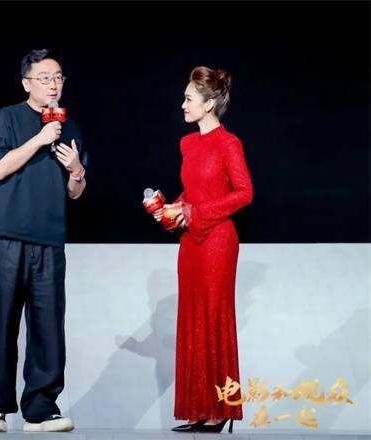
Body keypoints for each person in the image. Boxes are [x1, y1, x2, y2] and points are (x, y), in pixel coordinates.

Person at [0, 48, 87, 433]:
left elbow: (75, 192)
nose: (53, 85)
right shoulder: (5, 118)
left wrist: (77, 170)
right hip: (8, 235)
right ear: (27, 83)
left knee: (48, 327)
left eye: (58, 77)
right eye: (44, 78)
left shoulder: (70, 127)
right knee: (1, 324)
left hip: (50, 238)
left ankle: (41, 408)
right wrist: (40, 139)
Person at [152, 66, 252, 434]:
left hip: (218, 242)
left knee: (213, 320)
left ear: (209, 104)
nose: (183, 105)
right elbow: (193, 192)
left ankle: (220, 409)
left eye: (189, 99)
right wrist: (175, 208)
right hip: (191, 242)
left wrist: (195, 212)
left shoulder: (229, 143)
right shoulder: (187, 144)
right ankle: (198, 409)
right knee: (192, 321)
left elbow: (244, 193)